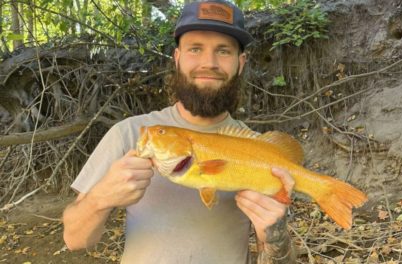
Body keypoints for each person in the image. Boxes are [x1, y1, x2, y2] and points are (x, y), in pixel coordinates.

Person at [62, 0, 296, 263]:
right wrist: (99, 199)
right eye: (195, 49)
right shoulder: (129, 134)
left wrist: (276, 235)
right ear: (177, 58)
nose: (208, 62)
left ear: (240, 63)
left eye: (223, 51)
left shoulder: (260, 151)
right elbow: (75, 239)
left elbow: (280, 259)